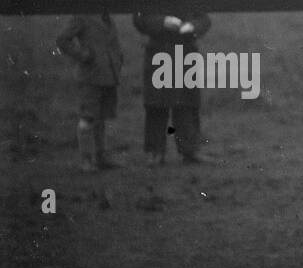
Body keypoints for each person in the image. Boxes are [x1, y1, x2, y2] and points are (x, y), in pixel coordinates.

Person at [133, 10, 211, 164]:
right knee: (156, 105)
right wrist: (163, 21)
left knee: (187, 104)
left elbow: (204, 19)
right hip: (158, 52)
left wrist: (192, 26)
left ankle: (190, 151)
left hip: (186, 53)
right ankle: (155, 153)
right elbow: (139, 19)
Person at [55, 10, 123, 172]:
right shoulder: (81, 16)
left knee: (101, 117)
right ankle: (86, 160)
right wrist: (82, 54)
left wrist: (118, 60)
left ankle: (101, 157)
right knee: (88, 118)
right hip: (90, 76)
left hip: (108, 75)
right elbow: (62, 39)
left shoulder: (107, 17)